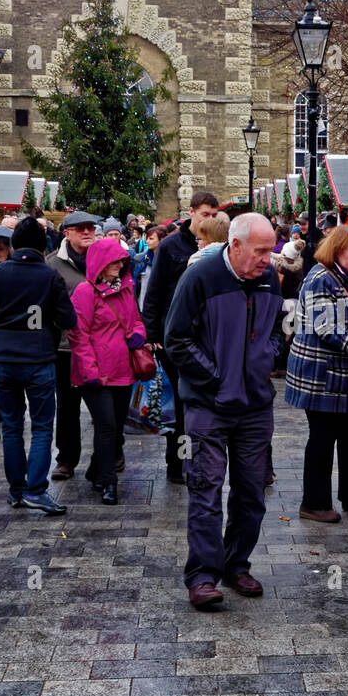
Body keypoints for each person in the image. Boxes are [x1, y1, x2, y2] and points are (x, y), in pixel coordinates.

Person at [165, 212, 284, 609]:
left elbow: (276, 331)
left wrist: (266, 359)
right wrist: (215, 378)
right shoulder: (199, 277)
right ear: (235, 246)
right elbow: (176, 339)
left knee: (252, 492)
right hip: (208, 405)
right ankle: (202, 576)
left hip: (254, 406)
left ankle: (237, 565)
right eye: (262, 250)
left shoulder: (269, 279)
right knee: (205, 488)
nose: (269, 257)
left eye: (271, 249)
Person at [0, 217, 75, 515]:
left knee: (12, 426)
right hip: (39, 357)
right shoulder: (50, 276)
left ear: (14, 244)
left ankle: (16, 489)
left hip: (4, 357)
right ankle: (35, 489)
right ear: (44, 246)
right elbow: (68, 320)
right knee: (42, 427)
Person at [286, 224, 348, 522]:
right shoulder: (319, 279)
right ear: (336, 249)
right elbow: (327, 329)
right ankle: (313, 502)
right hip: (321, 375)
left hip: (347, 375)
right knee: (322, 437)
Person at [143, 191, 220, 484]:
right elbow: (155, 291)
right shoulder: (173, 245)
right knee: (178, 406)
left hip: (206, 338)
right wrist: (153, 333)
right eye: (204, 214)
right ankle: (178, 464)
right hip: (174, 336)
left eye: (214, 215)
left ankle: (197, 460)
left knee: (198, 406)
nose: (209, 220)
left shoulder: (219, 245)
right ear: (192, 212)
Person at [69, 236, 145, 505]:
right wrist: (89, 371)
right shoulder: (84, 292)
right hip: (96, 374)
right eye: (115, 260)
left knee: (115, 429)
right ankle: (109, 482)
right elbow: (79, 334)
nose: (121, 264)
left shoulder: (125, 289)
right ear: (101, 263)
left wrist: (138, 334)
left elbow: (136, 319)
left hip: (123, 371)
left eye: (122, 260)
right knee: (107, 428)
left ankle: (96, 469)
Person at [45, 211, 100, 480]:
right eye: (80, 229)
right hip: (66, 348)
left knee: (105, 407)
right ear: (66, 233)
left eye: (90, 227)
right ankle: (66, 459)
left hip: (101, 347)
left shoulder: (104, 259)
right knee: (66, 406)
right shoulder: (53, 264)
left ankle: (110, 454)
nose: (87, 232)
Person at [133, 223, 167, 309]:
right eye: (147, 238)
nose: (147, 241)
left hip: (161, 307)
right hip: (142, 306)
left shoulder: (168, 260)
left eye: (151, 238)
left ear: (161, 240)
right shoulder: (141, 259)